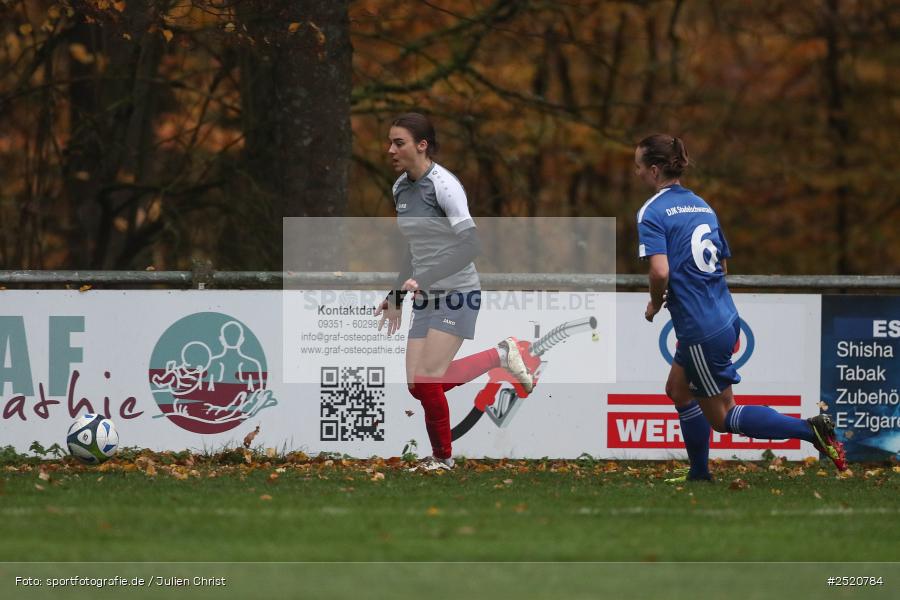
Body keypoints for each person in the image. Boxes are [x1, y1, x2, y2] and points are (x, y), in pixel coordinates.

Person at [635, 134, 846, 481]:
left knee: (723, 416)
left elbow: (660, 270)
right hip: (723, 315)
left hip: (699, 326)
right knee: (677, 388)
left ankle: (812, 431)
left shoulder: (652, 211)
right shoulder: (702, 205)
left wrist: (655, 304)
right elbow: (722, 265)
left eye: (639, 167)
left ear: (655, 170)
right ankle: (699, 473)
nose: (637, 173)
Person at [374, 112, 538, 472]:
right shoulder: (400, 188)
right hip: (425, 295)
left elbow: (471, 245)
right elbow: (414, 247)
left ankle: (443, 459)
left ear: (422, 145)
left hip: (458, 292)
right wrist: (398, 293)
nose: (390, 150)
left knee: (429, 380)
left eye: (398, 142)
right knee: (418, 386)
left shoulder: (444, 186)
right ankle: (500, 355)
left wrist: (426, 277)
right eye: (390, 142)